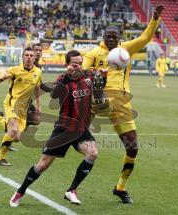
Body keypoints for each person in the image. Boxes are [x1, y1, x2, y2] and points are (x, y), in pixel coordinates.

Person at [82, 5, 165, 204]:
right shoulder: (94, 53)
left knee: (133, 148)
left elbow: (145, 38)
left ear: (119, 38)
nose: (110, 39)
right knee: (77, 130)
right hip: (99, 99)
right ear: (103, 37)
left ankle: (120, 187)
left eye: (114, 37)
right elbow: (84, 71)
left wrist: (154, 19)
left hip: (121, 103)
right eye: (107, 36)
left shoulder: (126, 49)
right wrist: (93, 73)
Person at [9, 50, 107, 207]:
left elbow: (100, 99)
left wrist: (103, 78)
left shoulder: (88, 76)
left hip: (81, 128)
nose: (78, 67)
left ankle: (71, 190)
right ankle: (20, 191)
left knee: (93, 153)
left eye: (80, 63)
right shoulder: (62, 79)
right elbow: (54, 96)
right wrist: (67, 75)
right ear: (67, 64)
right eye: (74, 64)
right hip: (63, 128)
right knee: (42, 165)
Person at [0, 43, 52, 152]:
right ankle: (9, 136)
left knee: (35, 120)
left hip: (27, 101)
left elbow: (37, 86)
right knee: (27, 124)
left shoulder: (38, 68)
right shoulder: (24, 66)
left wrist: (39, 104)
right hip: (17, 101)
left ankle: (2, 121)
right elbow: (8, 75)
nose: (38, 52)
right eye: (36, 50)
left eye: (40, 50)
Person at [0, 46, 42, 166]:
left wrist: (37, 105)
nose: (29, 57)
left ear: (34, 58)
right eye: (27, 55)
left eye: (31, 56)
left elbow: (37, 88)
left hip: (23, 108)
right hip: (11, 102)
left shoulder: (38, 72)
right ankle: (1, 158)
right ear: (23, 57)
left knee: (16, 137)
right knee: (13, 130)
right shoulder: (15, 70)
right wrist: (0, 78)